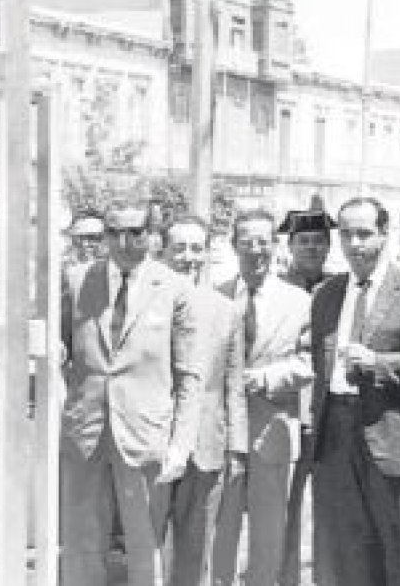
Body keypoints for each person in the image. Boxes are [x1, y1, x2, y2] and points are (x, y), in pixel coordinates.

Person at [308, 197, 400, 586]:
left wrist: (378, 364)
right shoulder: (327, 294)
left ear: (384, 235)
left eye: (364, 234)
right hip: (336, 433)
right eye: (346, 234)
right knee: (348, 549)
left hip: (391, 434)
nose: (355, 244)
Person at [59, 198, 202, 586]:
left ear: (152, 236)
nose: (123, 242)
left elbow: (189, 377)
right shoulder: (76, 280)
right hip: (85, 435)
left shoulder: (174, 289)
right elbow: (59, 353)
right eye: (114, 232)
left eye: (135, 232)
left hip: (143, 437)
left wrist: (180, 445)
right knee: (80, 546)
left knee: (145, 547)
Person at [211, 210, 313, 586]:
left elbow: (310, 362)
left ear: (275, 245)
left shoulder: (299, 300)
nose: (256, 250)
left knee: (269, 534)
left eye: (264, 241)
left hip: (273, 432)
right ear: (233, 244)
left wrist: (266, 378)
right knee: (221, 529)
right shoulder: (215, 297)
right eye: (247, 242)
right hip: (223, 434)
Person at [162, 216, 248, 586]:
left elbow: (234, 384)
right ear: (163, 252)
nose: (188, 257)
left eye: (197, 248)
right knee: (149, 544)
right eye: (179, 247)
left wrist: (238, 448)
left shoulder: (226, 310)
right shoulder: (146, 304)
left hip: (207, 446)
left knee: (196, 550)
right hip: (153, 442)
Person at [279, 205, 339, 293]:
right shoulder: (277, 287)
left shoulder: (338, 288)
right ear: (290, 246)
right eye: (303, 241)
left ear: (328, 246)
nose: (311, 247)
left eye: (318, 240)